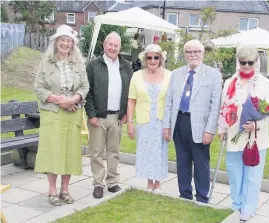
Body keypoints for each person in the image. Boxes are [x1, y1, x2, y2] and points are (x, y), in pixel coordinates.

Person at [218, 45, 269, 222]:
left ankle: (248, 209)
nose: (247, 66)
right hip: (234, 135)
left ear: (256, 62)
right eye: (243, 62)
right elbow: (223, 107)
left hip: (255, 139)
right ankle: (236, 205)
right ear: (238, 61)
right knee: (234, 173)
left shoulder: (266, 83)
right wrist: (221, 129)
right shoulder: (229, 83)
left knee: (252, 175)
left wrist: (257, 124)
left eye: (250, 62)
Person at [34, 25, 89, 206]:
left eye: (69, 41)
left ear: (72, 44)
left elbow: (85, 87)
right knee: (53, 152)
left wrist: (74, 99)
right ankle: (52, 191)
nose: (65, 43)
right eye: (62, 40)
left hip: (72, 114)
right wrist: (60, 101)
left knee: (69, 153)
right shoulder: (45, 63)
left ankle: (65, 190)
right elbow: (39, 88)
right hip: (53, 114)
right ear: (56, 42)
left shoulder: (79, 64)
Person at [163, 39, 222, 203]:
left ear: (203, 54)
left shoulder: (213, 74)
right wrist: (167, 125)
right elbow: (169, 102)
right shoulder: (176, 74)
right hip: (179, 122)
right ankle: (184, 195)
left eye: (196, 51)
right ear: (184, 54)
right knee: (182, 162)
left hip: (201, 126)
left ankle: (202, 197)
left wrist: (210, 130)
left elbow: (215, 105)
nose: (193, 54)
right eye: (189, 52)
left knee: (201, 163)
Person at [85, 32, 133, 199]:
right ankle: (98, 184)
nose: (113, 48)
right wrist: (91, 114)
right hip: (98, 117)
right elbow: (88, 92)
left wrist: (126, 111)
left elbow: (129, 91)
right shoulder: (93, 65)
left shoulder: (126, 65)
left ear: (120, 48)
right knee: (96, 151)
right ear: (104, 45)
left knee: (114, 151)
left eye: (116, 45)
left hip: (117, 117)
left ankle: (112, 182)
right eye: (110, 44)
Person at [127, 44, 171, 193]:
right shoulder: (137, 75)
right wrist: (130, 123)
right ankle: (149, 183)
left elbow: (172, 101)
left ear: (161, 58)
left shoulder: (170, 75)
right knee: (146, 151)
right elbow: (131, 100)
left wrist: (169, 124)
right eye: (149, 57)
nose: (153, 60)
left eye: (156, 57)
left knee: (159, 152)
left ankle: (158, 184)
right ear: (145, 59)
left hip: (161, 121)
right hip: (144, 121)